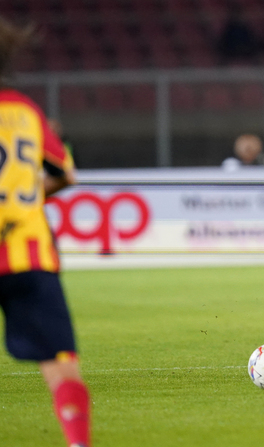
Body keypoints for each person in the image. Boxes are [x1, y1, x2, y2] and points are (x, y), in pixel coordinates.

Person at [0, 17, 91, 447]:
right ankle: (77, 442)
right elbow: (66, 175)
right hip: (29, 253)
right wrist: (28, 198)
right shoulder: (23, 110)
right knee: (60, 364)